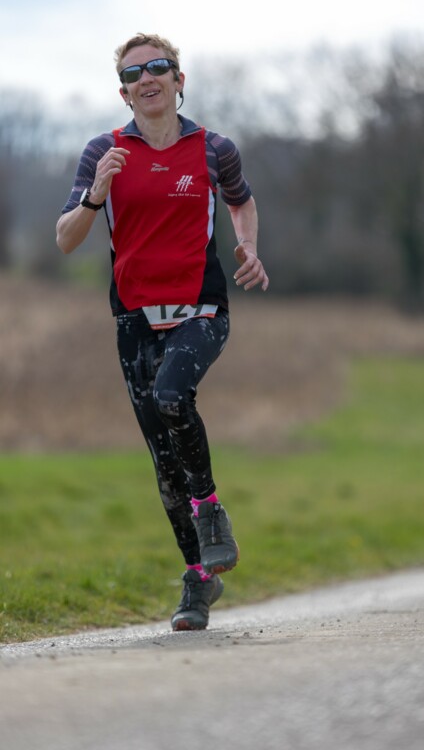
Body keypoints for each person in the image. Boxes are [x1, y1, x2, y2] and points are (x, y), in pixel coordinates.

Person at [56, 33, 269, 632]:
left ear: (179, 80)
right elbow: (65, 238)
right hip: (134, 320)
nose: (146, 78)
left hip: (202, 308)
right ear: (124, 93)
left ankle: (211, 509)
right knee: (163, 461)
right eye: (133, 74)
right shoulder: (103, 151)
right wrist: (96, 195)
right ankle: (199, 578)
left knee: (172, 395)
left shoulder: (214, 149)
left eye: (158, 67)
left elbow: (241, 202)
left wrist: (248, 245)